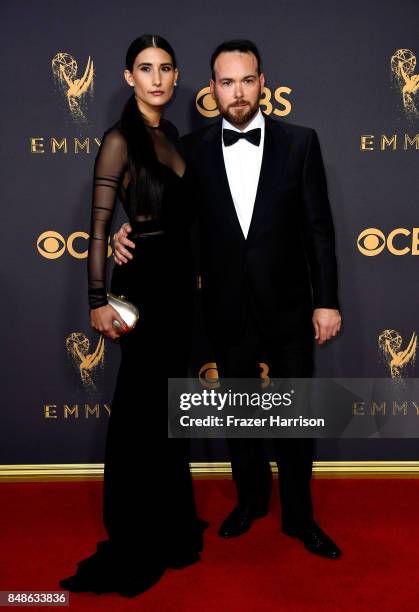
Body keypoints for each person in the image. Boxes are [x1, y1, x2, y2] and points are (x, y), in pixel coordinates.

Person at [114, 39, 342, 559]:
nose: (236, 92)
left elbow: (319, 231)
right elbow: (168, 223)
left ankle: (301, 519)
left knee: (293, 417)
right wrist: (123, 232)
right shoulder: (189, 151)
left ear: (262, 83)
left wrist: (326, 301)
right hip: (224, 304)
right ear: (212, 88)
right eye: (225, 82)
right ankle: (250, 503)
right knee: (239, 416)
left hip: (288, 305)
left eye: (246, 80)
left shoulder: (301, 142)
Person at [59, 34, 206, 598]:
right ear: (128, 78)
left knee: (167, 409)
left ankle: (168, 524)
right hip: (141, 290)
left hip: (177, 292)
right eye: (146, 69)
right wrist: (97, 300)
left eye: (166, 68)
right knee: (139, 411)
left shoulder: (171, 135)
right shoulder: (119, 138)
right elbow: (100, 227)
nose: (158, 79)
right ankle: (134, 529)